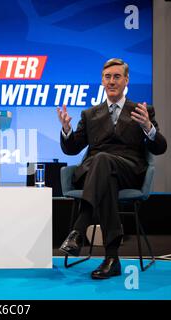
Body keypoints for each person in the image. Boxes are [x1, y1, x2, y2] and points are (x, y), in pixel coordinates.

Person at [57, 58, 167, 279]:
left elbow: (160, 147)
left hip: (128, 170)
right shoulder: (90, 114)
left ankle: (79, 228)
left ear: (126, 80)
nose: (112, 81)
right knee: (103, 168)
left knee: (103, 161)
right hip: (95, 173)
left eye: (117, 76)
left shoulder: (141, 110)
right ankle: (111, 257)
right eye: (107, 77)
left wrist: (148, 127)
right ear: (102, 81)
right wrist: (67, 130)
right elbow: (72, 149)